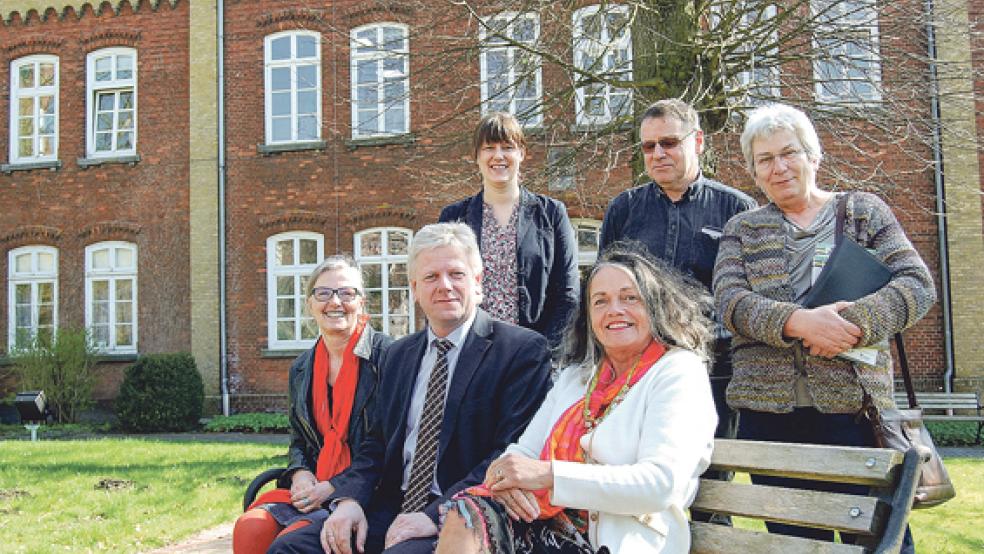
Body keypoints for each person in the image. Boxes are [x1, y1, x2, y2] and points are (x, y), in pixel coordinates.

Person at [713, 103, 935, 551]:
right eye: (765, 160)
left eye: (789, 153)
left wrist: (847, 326)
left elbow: (916, 284)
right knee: (795, 542)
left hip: (855, 415)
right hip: (771, 418)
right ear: (754, 173)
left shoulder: (863, 213)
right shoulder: (742, 229)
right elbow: (730, 302)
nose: (779, 167)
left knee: (877, 537)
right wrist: (799, 323)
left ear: (813, 156)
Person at [268, 222, 553, 554]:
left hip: (465, 511)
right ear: (415, 289)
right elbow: (375, 445)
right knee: (290, 549)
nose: (444, 286)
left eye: (456, 274)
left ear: (477, 283)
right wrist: (351, 499)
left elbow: (508, 454)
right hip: (389, 504)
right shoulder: (399, 354)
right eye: (431, 277)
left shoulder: (521, 351)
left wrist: (434, 514)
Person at [435, 243, 717, 554]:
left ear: (655, 304)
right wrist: (508, 479)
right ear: (588, 318)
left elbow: (660, 484)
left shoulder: (678, 371)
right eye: (600, 301)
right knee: (466, 515)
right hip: (546, 526)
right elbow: (524, 451)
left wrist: (549, 475)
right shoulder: (578, 377)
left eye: (629, 298)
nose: (614, 310)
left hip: (620, 540)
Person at [598, 99, 756, 521]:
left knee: (712, 492)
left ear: (698, 141)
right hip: (640, 373)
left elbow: (749, 297)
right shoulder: (624, 211)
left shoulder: (737, 211)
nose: (657, 155)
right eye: (648, 147)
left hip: (715, 371)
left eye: (669, 142)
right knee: (638, 486)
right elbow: (605, 291)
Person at [232, 256, 392, 554]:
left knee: (293, 538)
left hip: (367, 492)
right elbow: (299, 440)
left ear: (362, 302)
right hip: (313, 488)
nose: (335, 302)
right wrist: (300, 473)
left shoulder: (389, 358)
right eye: (324, 293)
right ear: (310, 304)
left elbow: (388, 444)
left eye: (346, 293)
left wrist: (335, 487)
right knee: (251, 527)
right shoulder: (301, 367)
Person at [439, 112, 579, 351]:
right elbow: (442, 288)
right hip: (469, 352)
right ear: (476, 156)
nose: (498, 156)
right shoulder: (454, 217)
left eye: (507, 147)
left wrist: (543, 352)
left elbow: (568, 294)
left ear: (522, 153)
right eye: (489, 148)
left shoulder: (552, 214)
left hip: (533, 353)